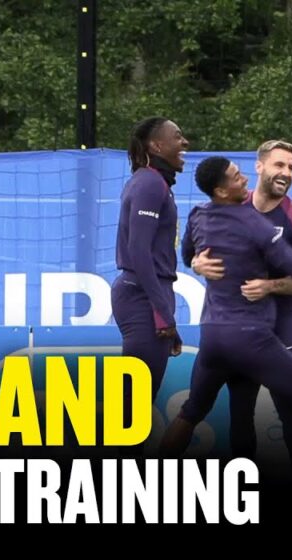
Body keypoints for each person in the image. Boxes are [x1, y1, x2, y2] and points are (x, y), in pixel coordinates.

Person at [158, 156, 292, 464]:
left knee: (195, 412)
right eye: (236, 177)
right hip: (251, 338)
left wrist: (196, 263)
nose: (243, 179)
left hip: (213, 339)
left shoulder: (197, 215)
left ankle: (150, 483)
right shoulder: (254, 223)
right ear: (221, 190)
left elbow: (188, 255)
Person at [190, 140, 292, 479]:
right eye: (279, 165)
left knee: (288, 404)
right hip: (240, 323)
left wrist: (270, 286)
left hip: (284, 320)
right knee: (240, 408)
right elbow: (195, 248)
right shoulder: (227, 204)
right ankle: (242, 489)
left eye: (291, 168)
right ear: (259, 167)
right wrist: (195, 264)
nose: (285, 173)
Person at [111, 116, 188, 440]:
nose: (184, 143)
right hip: (142, 297)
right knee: (133, 408)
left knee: (135, 405)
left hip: (148, 295)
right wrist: (162, 314)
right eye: (178, 136)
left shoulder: (154, 182)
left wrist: (165, 313)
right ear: (156, 145)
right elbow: (138, 251)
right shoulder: (149, 183)